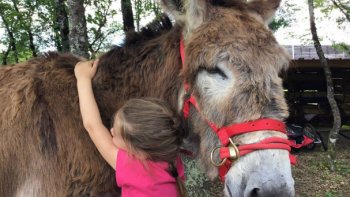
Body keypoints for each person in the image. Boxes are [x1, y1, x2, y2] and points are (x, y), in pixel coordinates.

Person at [74, 60, 188, 197]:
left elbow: (92, 125)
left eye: (116, 134)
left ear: (139, 153)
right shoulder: (172, 161)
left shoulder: (135, 167)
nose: (111, 132)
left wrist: (83, 78)